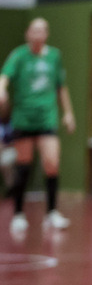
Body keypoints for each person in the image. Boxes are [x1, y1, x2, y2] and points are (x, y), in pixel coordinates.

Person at [0, 18, 76, 234]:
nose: (37, 34)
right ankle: (18, 214)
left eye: (41, 30)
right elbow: (4, 76)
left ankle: (52, 213)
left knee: (51, 162)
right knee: (23, 165)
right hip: (24, 118)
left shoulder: (54, 56)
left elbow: (61, 87)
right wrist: (2, 89)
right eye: (34, 30)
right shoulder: (19, 55)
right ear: (27, 34)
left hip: (47, 118)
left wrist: (68, 113)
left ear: (46, 34)